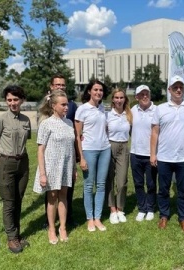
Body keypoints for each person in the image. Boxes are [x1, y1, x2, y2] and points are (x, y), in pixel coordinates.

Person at [150, 75, 184, 232]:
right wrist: (153, 154)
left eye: (181, 87)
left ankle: (183, 218)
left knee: (183, 190)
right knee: (163, 189)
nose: (178, 90)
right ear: (169, 90)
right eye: (175, 87)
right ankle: (164, 216)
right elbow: (154, 133)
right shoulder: (160, 109)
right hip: (164, 156)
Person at [0, 85, 31, 254]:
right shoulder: (0, 119)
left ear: (22, 100)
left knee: (19, 199)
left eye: (16, 99)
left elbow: (25, 141)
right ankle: (11, 238)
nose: (13, 103)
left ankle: (17, 234)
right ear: (6, 101)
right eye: (9, 100)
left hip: (23, 163)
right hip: (6, 163)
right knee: (9, 202)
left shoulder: (26, 120)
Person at [33, 90, 75, 244]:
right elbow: (40, 149)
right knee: (52, 198)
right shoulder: (46, 124)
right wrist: (43, 174)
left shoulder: (69, 123)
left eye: (67, 104)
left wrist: (74, 169)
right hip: (51, 166)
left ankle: (62, 227)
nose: (66, 107)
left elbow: (71, 148)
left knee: (63, 196)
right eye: (63, 104)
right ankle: (51, 228)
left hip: (65, 166)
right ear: (53, 105)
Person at [41, 74, 78, 230]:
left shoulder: (72, 108)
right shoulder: (45, 109)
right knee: (51, 194)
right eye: (58, 85)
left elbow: (75, 133)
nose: (61, 87)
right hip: (52, 157)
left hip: (67, 156)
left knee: (65, 192)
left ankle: (65, 221)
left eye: (63, 85)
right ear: (51, 86)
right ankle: (49, 222)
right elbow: (41, 142)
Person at [75, 80, 111, 232]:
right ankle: (89, 218)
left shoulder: (103, 108)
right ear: (89, 91)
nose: (98, 92)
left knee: (101, 185)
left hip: (105, 149)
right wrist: (81, 157)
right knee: (89, 186)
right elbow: (77, 136)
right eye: (95, 89)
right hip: (89, 150)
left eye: (101, 90)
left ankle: (98, 217)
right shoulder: (82, 109)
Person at [130, 85, 157, 222]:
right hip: (135, 153)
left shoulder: (157, 110)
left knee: (151, 183)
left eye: (146, 93)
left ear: (150, 95)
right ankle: (142, 208)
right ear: (137, 97)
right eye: (141, 94)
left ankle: (151, 208)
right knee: (138, 183)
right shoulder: (132, 110)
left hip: (151, 154)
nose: (144, 96)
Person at [106, 89, 132, 224]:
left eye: (121, 97)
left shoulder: (129, 115)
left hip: (124, 147)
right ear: (113, 100)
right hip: (110, 146)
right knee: (109, 178)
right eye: (116, 97)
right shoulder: (107, 115)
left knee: (122, 181)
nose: (119, 100)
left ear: (124, 99)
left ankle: (120, 208)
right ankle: (112, 210)